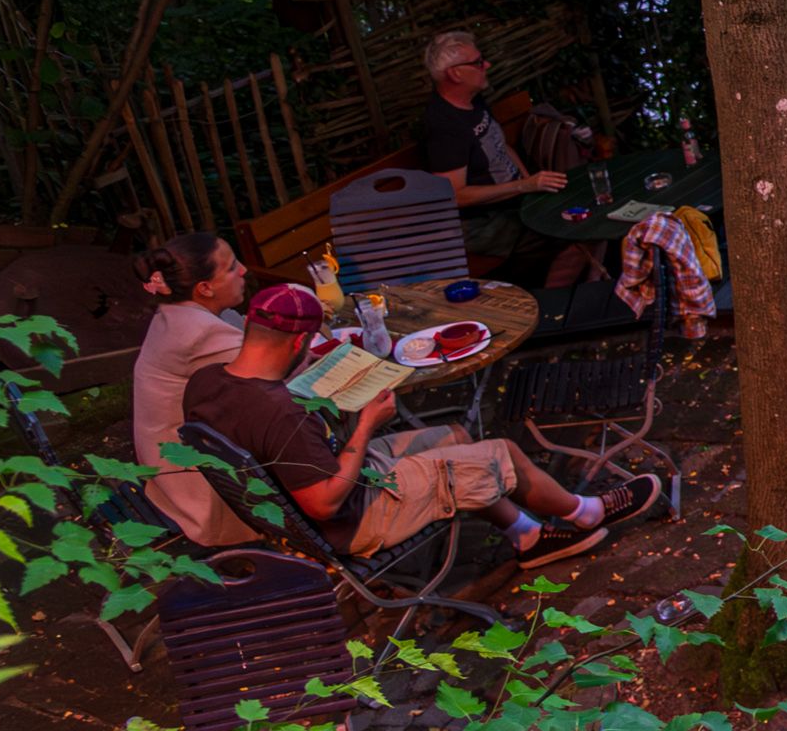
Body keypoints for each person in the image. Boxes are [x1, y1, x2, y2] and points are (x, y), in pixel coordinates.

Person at [183, 283, 660, 567]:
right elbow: (326, 502)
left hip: (294, 500)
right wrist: (367, 422)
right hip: (349, 520)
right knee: (497, 453)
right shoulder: (280, 412)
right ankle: (585, 512)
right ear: (298, 342)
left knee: (455, 437)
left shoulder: (205, 382)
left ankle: (527, 535)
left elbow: (281, 444)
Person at [126, 232, 258, 547]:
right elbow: (277, 373)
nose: (244, 271)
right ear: (204, 288)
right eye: (230, 267)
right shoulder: (200, 333)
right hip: (202, 494)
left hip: (166, 476)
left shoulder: (172, 314)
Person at [421, 30, 569, 275]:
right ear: (456, 74)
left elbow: (501, 146)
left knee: (572, 213)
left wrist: (528, 186)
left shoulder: (472, 99)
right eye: (478, 62)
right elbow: (455, 196)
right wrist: (524, 187)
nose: (486, 65)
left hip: (512, 202)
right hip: (483, 222)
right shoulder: (443, 125)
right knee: (561, 234)